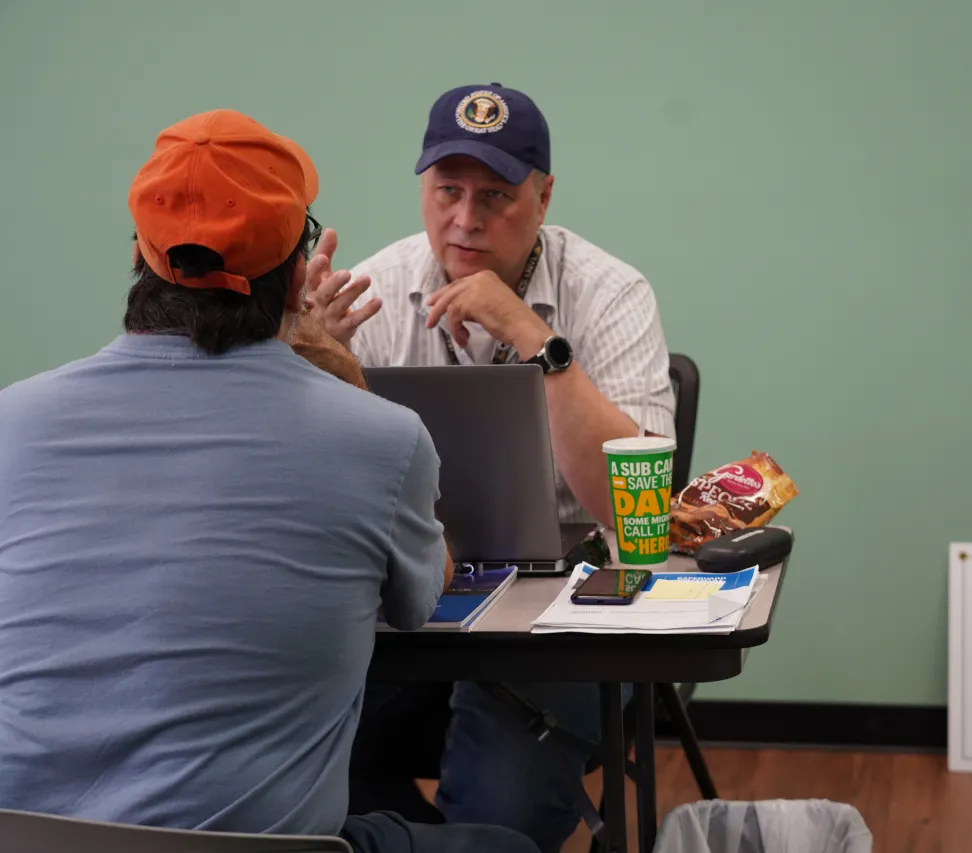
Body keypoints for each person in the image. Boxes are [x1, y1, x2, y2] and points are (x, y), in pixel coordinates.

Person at [0, 109, 536, 853]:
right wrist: (342, 377)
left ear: (139, 254)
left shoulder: (12, 420)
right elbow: (417, 600)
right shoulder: (379, 438)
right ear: (294, 278)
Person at [307, 84, 677, 851]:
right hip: (409, 603)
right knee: (296, 762)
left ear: (543, 197)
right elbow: (307, 498)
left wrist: (536, 339)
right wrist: (304, 360)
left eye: (496, 197)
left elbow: (630, 509)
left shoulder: (610, 295)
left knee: (500, 814)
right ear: (423, 187)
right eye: (448, 191)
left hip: (564, 611)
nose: (466, 220)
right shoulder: (373, 292)